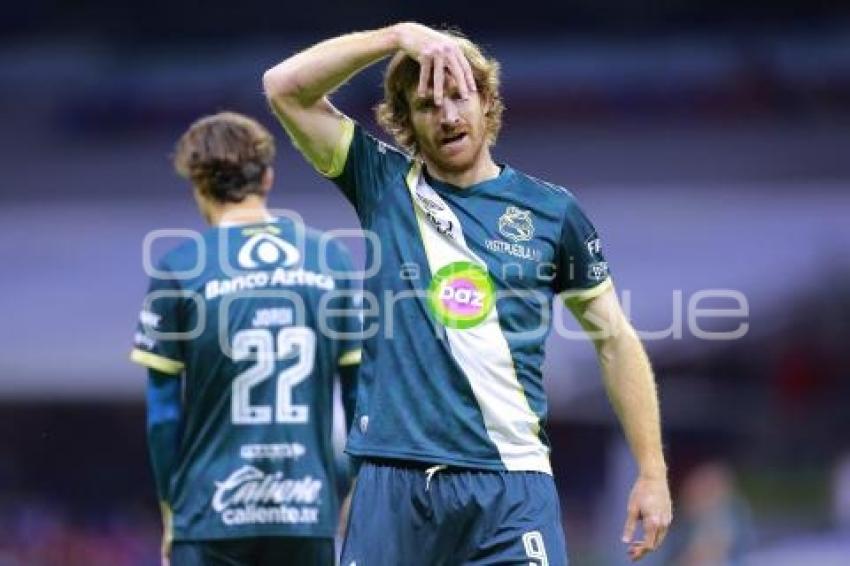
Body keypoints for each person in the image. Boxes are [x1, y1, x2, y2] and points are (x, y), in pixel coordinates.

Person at [263, 22, 671, 565]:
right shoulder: (382, 183)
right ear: (406, 121)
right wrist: (395, 36)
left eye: (459, 95)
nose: (449, 116)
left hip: (511, 487)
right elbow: (283, 86)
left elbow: (615, 342)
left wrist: (651, 471)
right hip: (393, 484)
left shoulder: (553, 213)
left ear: (487, 101)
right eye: (428, 104)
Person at [130, 111, 360, 566]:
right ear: (268, 177)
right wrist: (357, 488)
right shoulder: (329, 258)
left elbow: (162, 415)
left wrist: (170, 511)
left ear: (198, 183)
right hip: (307, 511)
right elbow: (360, 393)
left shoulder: (180, 267)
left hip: (209, 514)